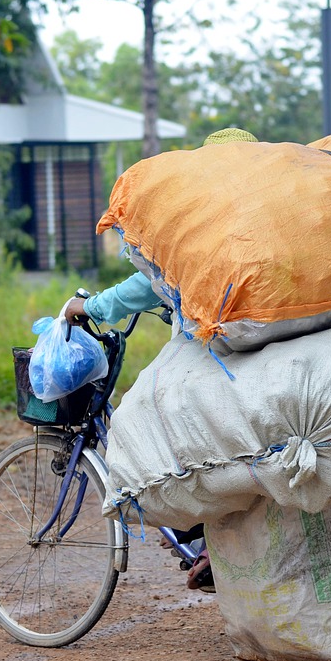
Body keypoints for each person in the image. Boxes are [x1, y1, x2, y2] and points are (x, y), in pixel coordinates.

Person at [64, 127, 261, 592]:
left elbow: (154, 280)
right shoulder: (264, 220)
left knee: (161, 423)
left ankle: (214, 544)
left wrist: (90, 307)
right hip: (264, 348)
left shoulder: (209, 222)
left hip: (222, 353)